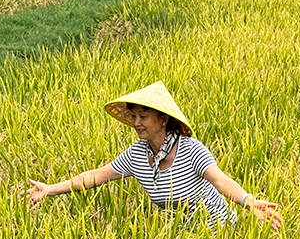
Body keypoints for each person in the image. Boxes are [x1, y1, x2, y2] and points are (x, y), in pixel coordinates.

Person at [25, 82, 282, 230]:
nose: (136, 122)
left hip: (218, 234)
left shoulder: (190, 149)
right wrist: (49, 190)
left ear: (163, 118)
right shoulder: (137, 154)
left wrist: (248, 201)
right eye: (134, 115)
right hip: (179, 234)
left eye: (143, 116)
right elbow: (95, 176)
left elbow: (220, 180)